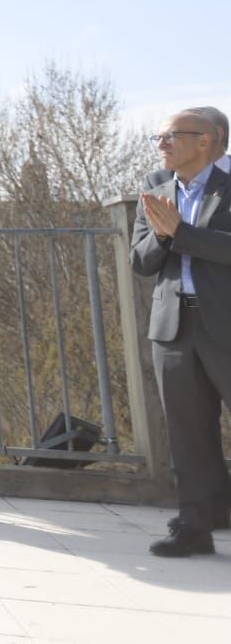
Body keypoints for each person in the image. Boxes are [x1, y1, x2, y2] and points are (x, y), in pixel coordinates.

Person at [131, 108, 231, 557]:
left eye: (171, 136)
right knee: (187, 433)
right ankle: (194, 525)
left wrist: (181, 233)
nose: (161, 144)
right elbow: (141, 262)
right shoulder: (155, 189)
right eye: (160, 136)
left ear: (207, 140)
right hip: (172, 327)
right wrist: (161, 234)